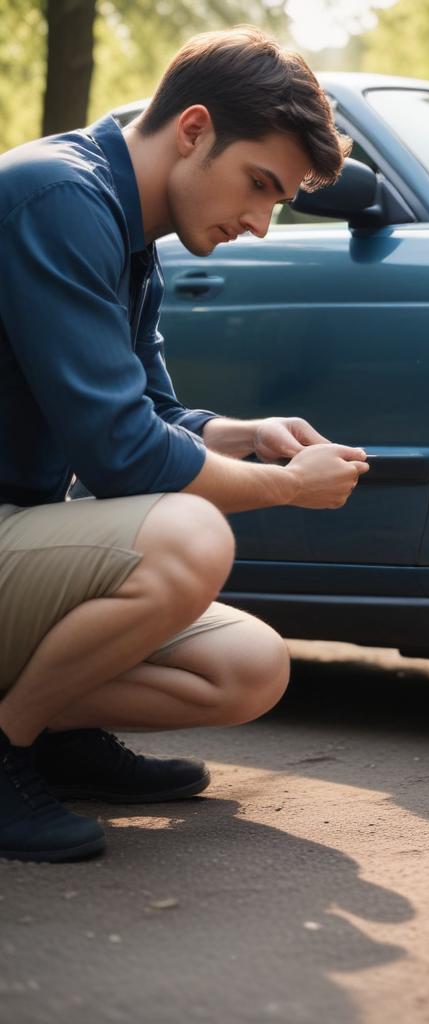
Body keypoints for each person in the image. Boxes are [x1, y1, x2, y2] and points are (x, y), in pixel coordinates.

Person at [0, 26, 370, 862]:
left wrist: (244, 434)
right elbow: (123, 460)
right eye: (260, 185)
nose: (263, 223)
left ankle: (63, 733)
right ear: (195, 129)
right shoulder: (57, 198)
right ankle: (10, 738)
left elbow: (151, 416)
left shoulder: (133, 239)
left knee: (250, 667)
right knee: (193, 537)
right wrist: (286, 488)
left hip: (15, 535)